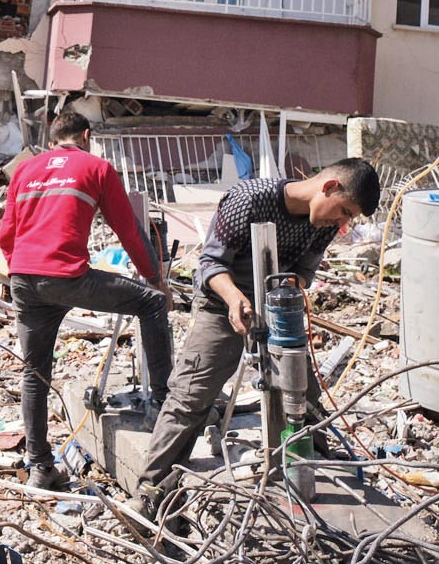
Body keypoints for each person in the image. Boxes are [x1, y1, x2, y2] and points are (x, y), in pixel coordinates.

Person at [133, 159, 380, 504]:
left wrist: (288, 291)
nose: (342, 224)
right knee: (191, 395)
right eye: (344, 212)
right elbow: (211, 263)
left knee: (303, 394)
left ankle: (317, 468)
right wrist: (235, 298)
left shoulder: (322, 225)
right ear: (329, 187)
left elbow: (303, 273)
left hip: (276, 307)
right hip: (222, 304)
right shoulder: (249, 199)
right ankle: (151, 490)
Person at [0, 110, 174, 491]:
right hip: (66, 276)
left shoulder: (25, 170)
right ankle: (163, 408)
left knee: (35, 373)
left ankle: (41, 467)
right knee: (151, 303)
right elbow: (128, 230)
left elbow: (6, 233)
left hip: (23, 277)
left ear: (52, 141)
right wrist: (155, 279)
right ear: (87, 136)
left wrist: (21, 271)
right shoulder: (96, 167)